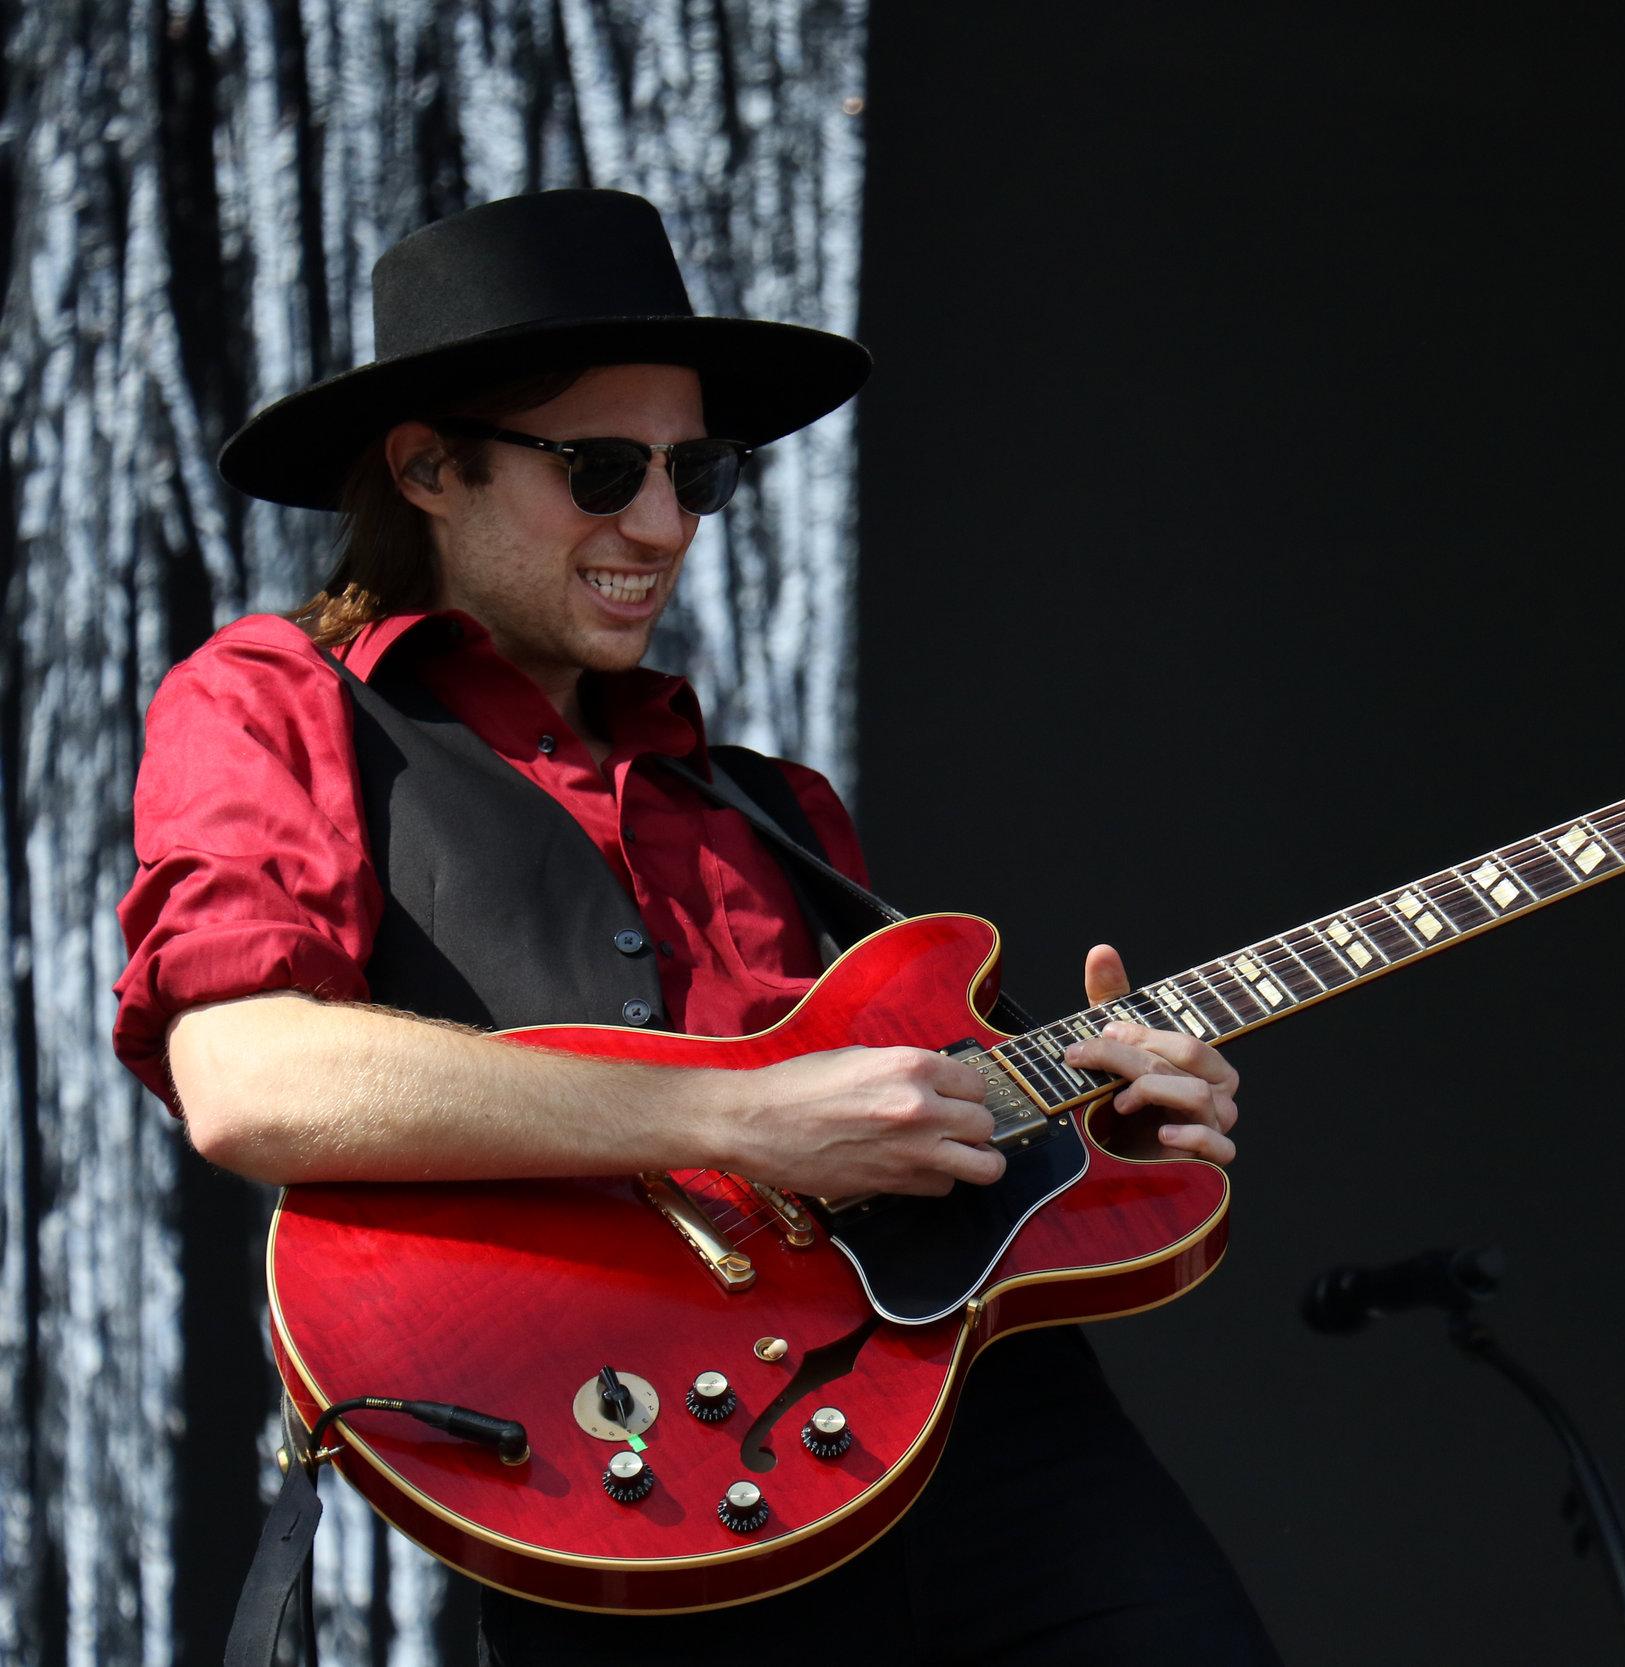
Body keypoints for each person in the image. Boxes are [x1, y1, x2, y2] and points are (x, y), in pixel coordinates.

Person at [114, 189, 1278, 1664]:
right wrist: (742, 1118)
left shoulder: (772, 800)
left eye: (697, 471)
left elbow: (878, 1161)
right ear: (426, 468)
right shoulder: (273, 697)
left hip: (1000, 1447)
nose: (660, 526)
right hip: (638, 1483)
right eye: (601, 468)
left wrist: (1098, 1135)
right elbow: (250, 1076)